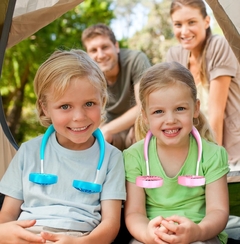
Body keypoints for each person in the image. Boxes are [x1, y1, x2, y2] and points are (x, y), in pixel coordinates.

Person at [0, 49, 126, 243]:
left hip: (80, 238)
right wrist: (4, 234)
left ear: (102, 100)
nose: (79, 117)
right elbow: (6, 217)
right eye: (65, 106)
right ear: (45, 107)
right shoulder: (28, 152)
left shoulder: (112, 157)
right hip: (27, 236)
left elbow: (111, 224)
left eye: (89, 103)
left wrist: (78, 243)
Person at [123, 61, 229, 244]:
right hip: (152, 236)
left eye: (180, 109)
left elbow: (218, 211)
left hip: (201, 233)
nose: (170, 120)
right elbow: (134, 213)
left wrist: (197, 232)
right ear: (145, 116)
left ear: (195, 108)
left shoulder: (213, 155)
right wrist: (148, 235)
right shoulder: (134, 156)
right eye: (158, 112)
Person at [166, 0, 240, 174]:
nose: (184, 31)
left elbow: (216, 114)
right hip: (197, 148)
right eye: (178, 24)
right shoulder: (174, 55)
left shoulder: (218, 46)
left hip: (229, 151)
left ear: (206, 22)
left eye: (191, 22)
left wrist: (211, 166)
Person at [81, 23, 151, 151]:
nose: (100, 55)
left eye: (105, 47)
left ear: (116, 46)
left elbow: (145, 106)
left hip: (137, 128)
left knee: (141, 130)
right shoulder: (89, 75)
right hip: (113, 135)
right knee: (95, 140)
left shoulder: (135, 60)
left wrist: (107, 129)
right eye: (93, 50)